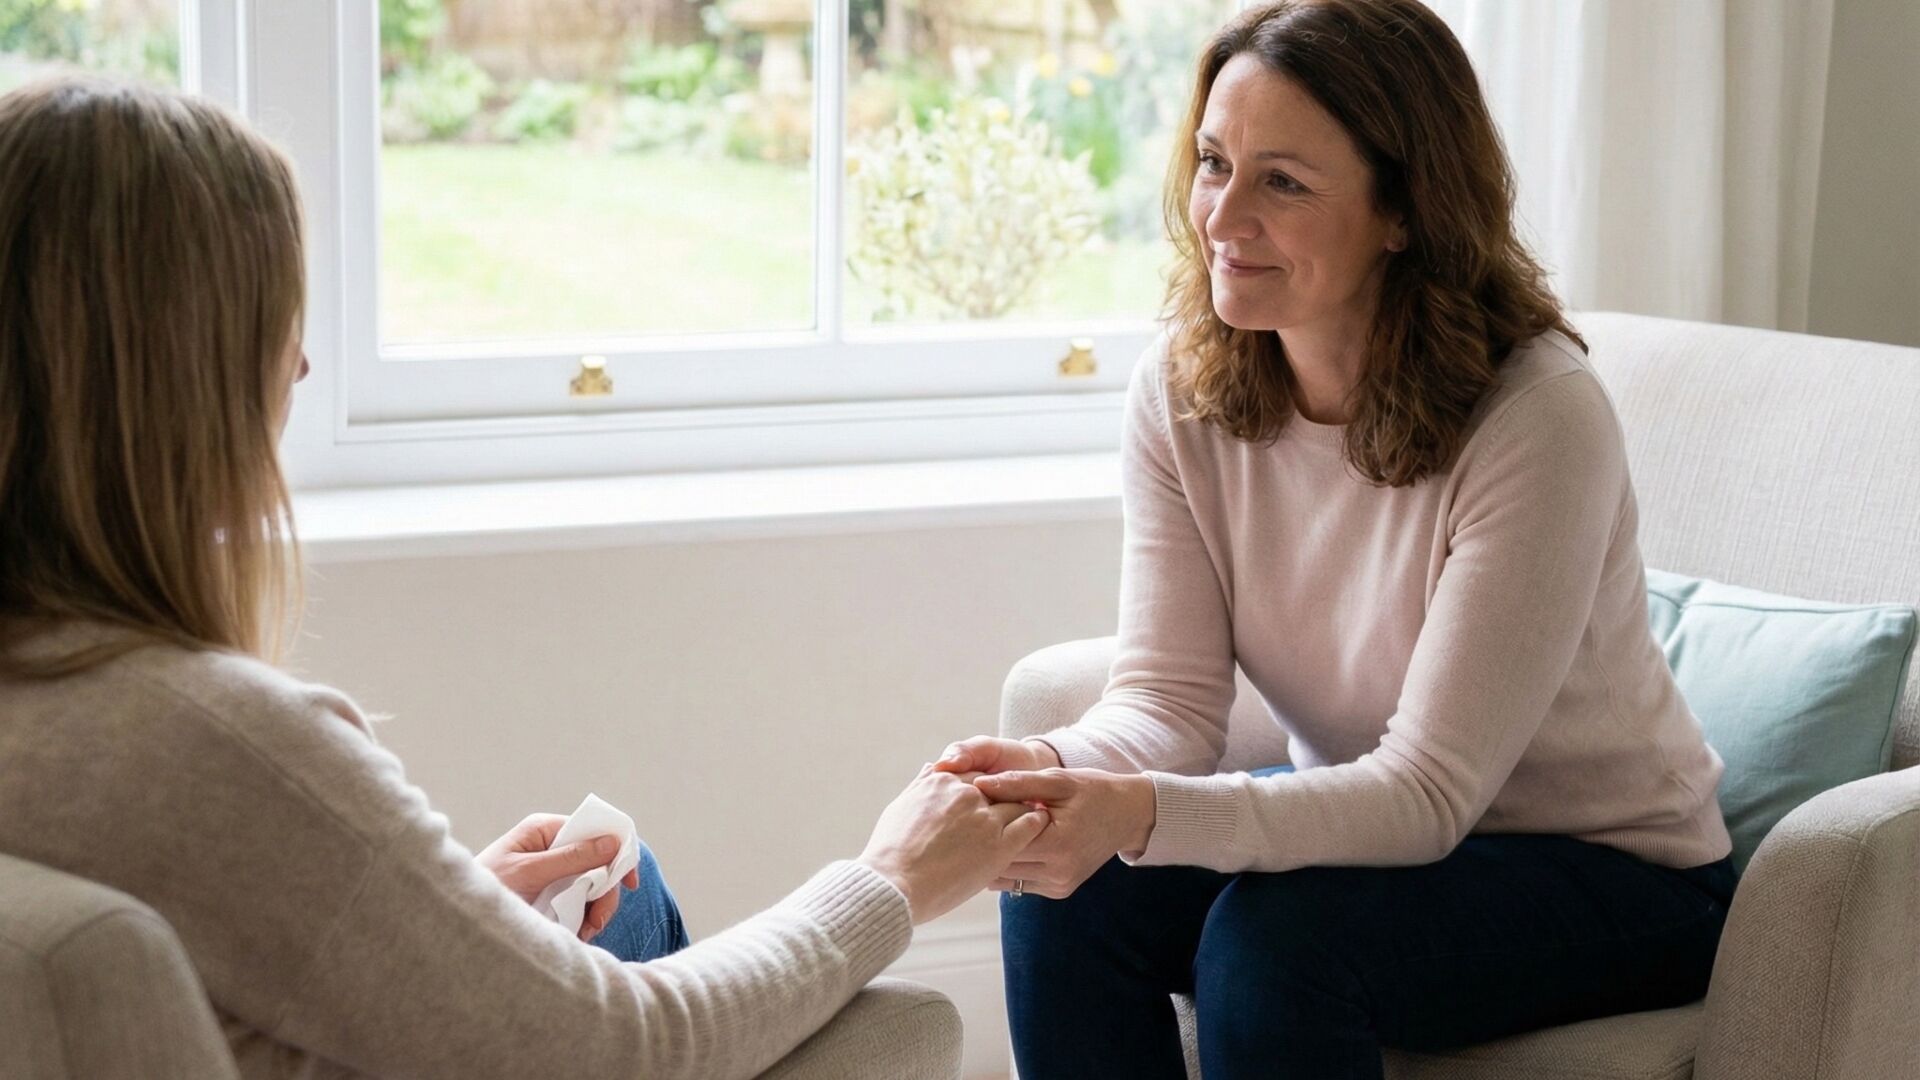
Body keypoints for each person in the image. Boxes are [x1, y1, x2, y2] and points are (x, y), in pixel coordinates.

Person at [0, 77, 1049, 1079]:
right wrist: (890, 880)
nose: (301, 365)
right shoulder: (225, 749)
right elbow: (636, 1046)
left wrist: (442, 912)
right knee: (897, 1025)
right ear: (184, 374)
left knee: (629, 895)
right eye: (272, 320)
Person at [934, 2, 1737, 1077]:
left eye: (1283, 182)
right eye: (1214, 164)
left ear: (1403, 210)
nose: (1223, 218)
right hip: (1382, 838)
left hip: (1615, 872)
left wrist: (1145, 811)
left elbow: (1428, 793)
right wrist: (1052, 774)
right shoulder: (1180, 390)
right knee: (1063, 884)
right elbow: (1168, 704)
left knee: (1278, 947)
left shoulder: (1537, 415)